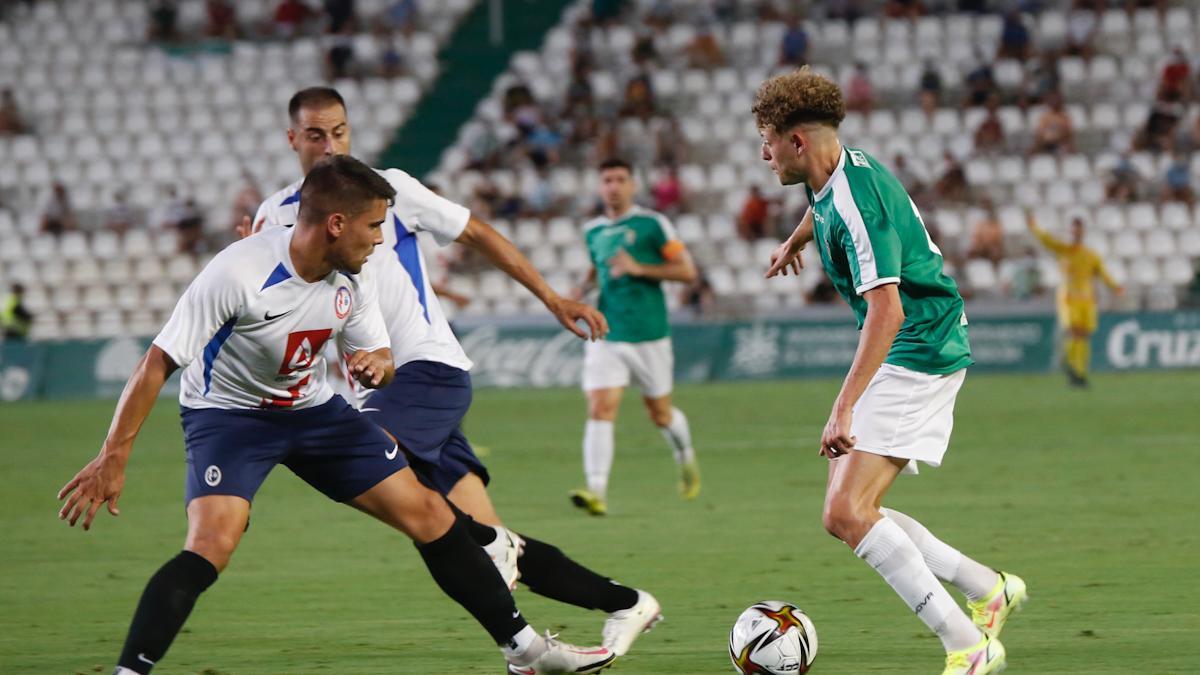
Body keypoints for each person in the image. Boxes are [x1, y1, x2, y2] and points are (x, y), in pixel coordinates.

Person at [57, 156, 614, 675]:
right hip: (229, 417)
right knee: (211, 545)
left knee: (428, 512)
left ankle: (527, 653)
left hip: (313, 410)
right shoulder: (238, 273)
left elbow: (378, 357)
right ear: (336, 224)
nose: (380, 239)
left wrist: (379, 365)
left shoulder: (356, 275)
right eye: (374, 227)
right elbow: (157, 361)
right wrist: (113, 454)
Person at [247, 88, 658, 667]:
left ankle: (519, 626)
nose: (329, 145)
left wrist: (551, 297)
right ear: (293, 139)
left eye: (339, 131)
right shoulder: (273, 216)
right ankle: (626, 602)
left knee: (374, 471)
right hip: (376, 389)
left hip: (426, 370)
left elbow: (477, 232)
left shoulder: (390, 189)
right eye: (315, 134)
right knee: (450, 533)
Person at [755, 67, 1026, 675]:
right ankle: (988, 589)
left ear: (797, 141)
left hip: (917, 344)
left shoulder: (856, 200)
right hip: (917, 340)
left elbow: (887, 308)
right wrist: (796, 241)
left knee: (846, 512)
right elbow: (823, 209)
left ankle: (969, 644)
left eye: (768, 141)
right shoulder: (834, 170)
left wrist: (842, 407)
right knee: (852, 508)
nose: (762, 153)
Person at [569, 158, 701, 517]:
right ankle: (596, 490)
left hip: (649, 334)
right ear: (600, 187)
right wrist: (582, 288)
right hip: (608, 332)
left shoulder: (652, 224)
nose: (613, 186)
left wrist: (640, 268)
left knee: (659, 414)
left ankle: (684, 454)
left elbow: (687, 271)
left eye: (620, 179)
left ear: (633, 186)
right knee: (600, 407)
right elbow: (598, 265)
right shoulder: (592, 230)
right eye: (607, 179)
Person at [1026, 213, 1122, 387]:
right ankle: (1071, 366)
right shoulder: (1063, 249)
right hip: (1069, 298)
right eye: (1073, 230)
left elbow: (1101, 272)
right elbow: (1046, 240)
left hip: (1087, 300)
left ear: (1082, 232)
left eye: (1079, 230)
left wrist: (1115, 286)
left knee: (1084, 335)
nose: (1076, 233)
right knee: (1075, 332)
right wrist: (1034, 227)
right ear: (1070, 232)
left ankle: (1079, 371)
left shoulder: (1090, 255)